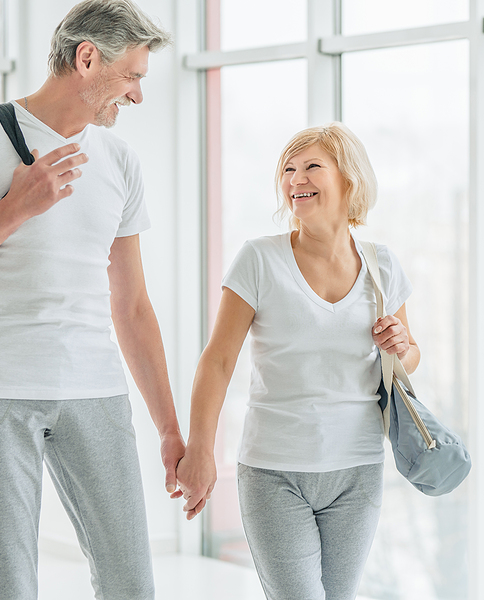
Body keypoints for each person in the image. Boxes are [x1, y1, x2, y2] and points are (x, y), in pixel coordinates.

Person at [0, 2, 184, 598]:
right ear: (88, 59)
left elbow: (132, 305)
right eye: (131, 76)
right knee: (7, 586)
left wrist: (167, 428)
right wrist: (14, 210)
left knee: (131, 583)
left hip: (97, 391)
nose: (137, 95)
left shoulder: (120, 161)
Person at [176, 122, 421, 600]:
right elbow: (218, 361)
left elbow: (409, 358)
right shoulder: (259, 260)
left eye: (311, 167)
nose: (295, 180)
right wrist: (201, 450)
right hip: (274, 471)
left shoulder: (383, 265)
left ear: (348, 178)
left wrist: (401, 344)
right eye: (288, 170)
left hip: (357, 469)